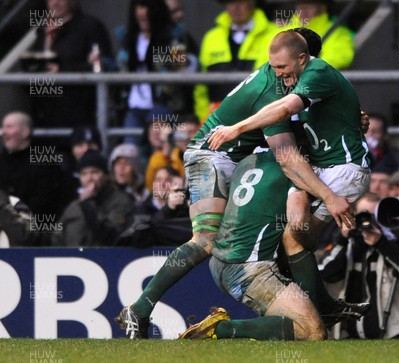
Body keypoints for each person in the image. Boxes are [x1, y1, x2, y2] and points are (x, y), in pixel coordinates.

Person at [115, 29, 365, 339]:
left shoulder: (289, 83)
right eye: (281, 68)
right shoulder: (274, 92)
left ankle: (313, 304)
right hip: (213, 153)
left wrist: (350, 119)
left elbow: (308, 117)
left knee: (288, 231)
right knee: (205, 240)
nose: (285, 75)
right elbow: (287, 155)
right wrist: (328, 195)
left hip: (239, 157)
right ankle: (138, 310)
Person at [208, 30, 371, 320]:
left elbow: (286, 110)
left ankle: (317, 308)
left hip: (343, 169)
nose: (276, 72)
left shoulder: (317, 72)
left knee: (296, 238)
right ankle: (307, 305)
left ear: (303, 58)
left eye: (282, 67)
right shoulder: (297, 81)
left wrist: (237, 128)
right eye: (273, 66)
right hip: (316, 166)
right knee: (292, 229)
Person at [179, 150, 325, 341]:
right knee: (312, 331)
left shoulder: (246, 161)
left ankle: (262, 332)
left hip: (220, 259)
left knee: (291, 320)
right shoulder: (293, 168)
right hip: (249, 269)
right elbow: (297, 221)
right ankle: (218, 328)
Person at [319, 191, 399, 339]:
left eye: (373, 217)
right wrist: (342, 238)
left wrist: (382, 243)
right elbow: (325, 273)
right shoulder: (349, 243)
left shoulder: (397, 241)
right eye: (362, 215)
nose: (367, 222)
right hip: (354, 336)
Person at [116, 0, 198, 144]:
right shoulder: (129, 39)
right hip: (133, 106)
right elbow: (118, 71)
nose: (144, 13)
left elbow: (186, 68)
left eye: (149, 7)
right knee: (130, 147)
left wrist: (181, 60)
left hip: (162, 105)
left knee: (159, 143)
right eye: (140, 6)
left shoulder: (172, 37)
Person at [28, 0, 114, 130]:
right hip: (44, 114)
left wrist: (63, 70)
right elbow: (34, 63)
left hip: (78, 115)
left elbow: (102, 67)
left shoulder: (90, 26)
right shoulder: (42, 29)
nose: (55, 3)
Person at [193, 0, 278, 122]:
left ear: (253, 3)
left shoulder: (274, 35)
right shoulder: (211, 37)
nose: (236, 8)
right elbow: (201, 86)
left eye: (241, 2)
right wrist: (204, 118)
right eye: (231, 2)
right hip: (217, 122)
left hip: (257, 120)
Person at [52, 150, 134, 246]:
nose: (89, 178)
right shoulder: (74, 207)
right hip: (73, 259)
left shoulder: (120, 201)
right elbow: (56, 239)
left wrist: (87, 205)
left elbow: (111, 237)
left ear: (106, 176)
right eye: (84, 174)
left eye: (94, 172)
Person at [0, 112, 65, 217]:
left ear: (25, 132)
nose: (4, 132)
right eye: (3, 127)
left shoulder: (44, 161)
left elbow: (46, 201)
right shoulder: (2, 160)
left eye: (9, 127)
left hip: (33, 224)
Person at [282, 0, 355, 69]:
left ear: (322, 8)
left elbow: (340, 56)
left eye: (308, 7)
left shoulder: (337, 33)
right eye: (300, 7)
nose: (303, 12)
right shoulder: (283, 31)